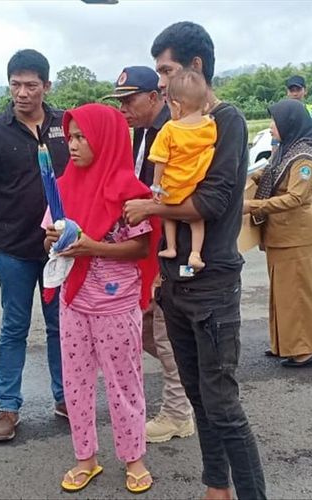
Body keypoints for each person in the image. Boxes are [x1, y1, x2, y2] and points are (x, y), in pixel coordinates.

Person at [124, 22, 267, 500]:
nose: (160, 82)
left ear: (195, 67)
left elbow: (213, 202)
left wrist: (151, 208)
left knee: (223, 406)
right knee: (201, 400)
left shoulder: (225, 122)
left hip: (212, 287)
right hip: (175, 284)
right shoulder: (171, 127)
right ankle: (215, 487)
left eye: (165, 70)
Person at [45, 103, 156, 494]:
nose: (72, 145)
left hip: (116, 304)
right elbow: (49, 232)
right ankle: (86, 458)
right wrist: (55, 240)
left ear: (105, 139)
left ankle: (134, 458)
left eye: (81, 137)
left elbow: (141, 248)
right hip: (74, 302)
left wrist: (93, 247)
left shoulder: (128, 190)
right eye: (70, 137)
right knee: (75, 384)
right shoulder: (62, 185)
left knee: (124, 383)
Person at [0, 49, 69, 442]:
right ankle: (8, 406)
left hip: (62, 250)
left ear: (46, 86)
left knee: (62, 326)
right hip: (14, 250)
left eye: (31, 85)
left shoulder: (64, 125)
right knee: (14, 328)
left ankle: (66, 397)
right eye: (15, 84)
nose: (22, 93)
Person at [106, 66, 195, 444]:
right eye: (120, 101)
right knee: (146, 331)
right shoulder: (142, 131)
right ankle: (195, 382)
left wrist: (160, 261)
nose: (123, 107)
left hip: (173, 246)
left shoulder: (172, 131)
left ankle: (178, 412)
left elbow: (172, 195)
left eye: (130, 99)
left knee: (163, 331)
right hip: (148, 245)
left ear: (154, 97)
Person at [244, 99, 312, 368]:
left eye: (275, 121)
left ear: (290, 123)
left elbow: (294, 198)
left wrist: (251, 205)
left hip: (295, 236)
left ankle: (306, 351)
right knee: (282, 294)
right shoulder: (285, 151)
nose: (271, 126)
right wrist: (248, 179)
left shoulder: (305, 158)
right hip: (279, 235)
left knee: (298, 295)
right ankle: (285, 345)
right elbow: (268, 173)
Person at [148, 69, 217, 272]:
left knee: (167, 214)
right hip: (195, 185)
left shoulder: (169, 129)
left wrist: (156, 186)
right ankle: (196, 253)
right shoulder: (209, 125)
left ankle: (171, 247)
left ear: (176, 105)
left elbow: (160, 160)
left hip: (173, 186)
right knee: (197, 220)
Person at [285, 75, 312, 145]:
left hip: (307, 150)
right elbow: (275, 140)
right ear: (287, 92)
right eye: (292, 90)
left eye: (298, 90)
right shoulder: (282, 111)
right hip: (288, 152)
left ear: (305, 91)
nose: (295, 94)